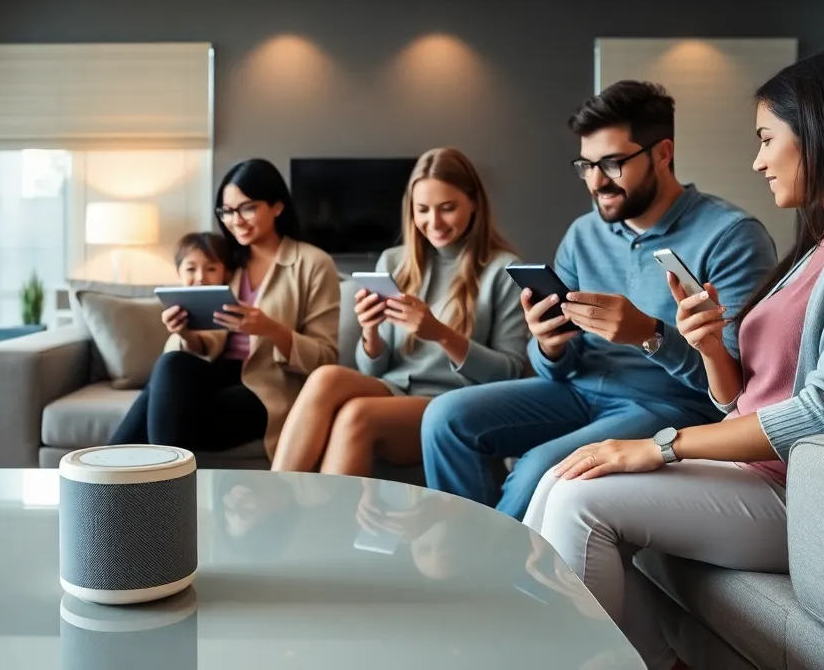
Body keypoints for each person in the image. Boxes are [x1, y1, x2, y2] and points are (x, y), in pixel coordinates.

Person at [524, 46, 824, 670]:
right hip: (764, 472)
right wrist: (707, 348)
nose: (757, 160)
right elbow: (751, 399)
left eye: (767, 138)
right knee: (564, 477)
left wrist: (662, 444)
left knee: (582, 501)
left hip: (816, 490)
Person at [420, 81, 779, 519]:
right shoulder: (583, 233)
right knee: (445, 417)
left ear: (663, 153)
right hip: (577, 389)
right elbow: (555, 365)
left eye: (612, 164)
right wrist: (550, 344)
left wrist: (650, 335)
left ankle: (488, 581)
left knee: (540, 467)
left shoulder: (731, 237)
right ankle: (463, 562)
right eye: (586, 165)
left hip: (667, 405)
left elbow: (738, 386)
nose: (595, 182)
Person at [271, 148, 528, 476]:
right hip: (394, 388)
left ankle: (324, 523)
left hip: (454, 402)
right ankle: (275, 499)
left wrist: (440, 334)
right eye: (422, 210)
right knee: (326, 377)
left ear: (474, 202)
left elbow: (511, 373)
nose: (433, 223)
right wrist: (370, 333)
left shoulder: (502, 270)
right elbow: (375, 370)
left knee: (357, 414)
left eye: (447, 208)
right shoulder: (394, 262)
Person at [108, 158, 341, 457]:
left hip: (268, 388)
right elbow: (210, 341)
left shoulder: (313, 263)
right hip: (218, 374)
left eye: (247, 207)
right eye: (227, 211)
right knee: (171, 365)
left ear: (277, 206)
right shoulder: (227, 262)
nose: (235, 220)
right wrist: (187, 332)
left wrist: (270, 329)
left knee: (168, 408)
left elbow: (325, 360)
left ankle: (107, 478)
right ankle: (134, 483)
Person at [106, 231, 232, 445]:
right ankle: (109, 464)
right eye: (191, 269)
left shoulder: (222, 305)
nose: (201, 277)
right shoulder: (176, 303)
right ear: (178, 272)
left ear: (226, 273)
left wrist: (185, 334)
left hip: (200, 379)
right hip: (171, 381)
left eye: (211, 268)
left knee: (169, 364)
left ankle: (107, 464)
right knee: (157, 383)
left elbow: (208, 346)